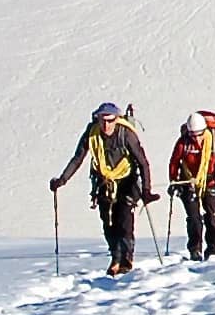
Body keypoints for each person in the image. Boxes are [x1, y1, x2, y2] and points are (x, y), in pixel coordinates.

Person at [50, 102, 155, 275]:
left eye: (110, 120)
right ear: (97, 119)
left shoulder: (126, 134)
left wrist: (146, 189)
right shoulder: (91, 135)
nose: (106, 124)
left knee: (124, 218)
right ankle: (116, 256)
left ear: (116, 119)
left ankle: (125, 259)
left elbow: (143, 162)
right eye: (102, 120)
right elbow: (78, 158)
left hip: (127, 180)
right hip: (103, 181)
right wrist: (62, 180)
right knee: (107, 220)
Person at [166, 111, 215, 260]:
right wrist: (174, 181)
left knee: (211, 215)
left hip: (210, 181)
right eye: (193, 135)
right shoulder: (183, 143)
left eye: (199, 134)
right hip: (189, 182)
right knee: (193, 217)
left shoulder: (213, 141)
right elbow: (174, 162)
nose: (196, 138)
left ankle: (213, 248)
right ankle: (195, 249)